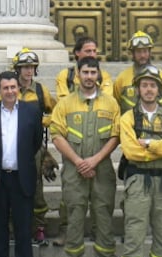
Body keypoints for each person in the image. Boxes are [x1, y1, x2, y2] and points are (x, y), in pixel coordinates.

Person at [50, 56, 120, 257]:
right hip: (74, 172)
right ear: (77, 74)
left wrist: (94, 160)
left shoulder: (111, 104)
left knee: (104, 223)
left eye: (93, 72)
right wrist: (79, 161)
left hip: (102, 172)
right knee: (74, 223)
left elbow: (115, 135)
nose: (89, 77)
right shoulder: (65, 104)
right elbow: (57, 135)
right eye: (85, 72)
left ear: (98, 75)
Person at [116, 65, 162, 257]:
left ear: (159, 90)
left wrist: (149, 144)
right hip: (138, 180)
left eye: (153, 85)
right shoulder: (128, 117)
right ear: (137, 89)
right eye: (144, 85)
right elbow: (130, 151)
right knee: (134, 232)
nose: (149, 89)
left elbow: (145, 148)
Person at [53, 36, 113, 246]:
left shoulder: (105, 84)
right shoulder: (65, 75)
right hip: (74, 142)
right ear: (77, 53)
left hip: (99, 152)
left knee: (102, 202)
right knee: (70, 198)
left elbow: (108, 100)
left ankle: (99, 232)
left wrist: (93, 161)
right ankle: (65, 230)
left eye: (94, 51)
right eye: (87, 51)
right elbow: (61, 105)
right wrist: (80, 162)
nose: (91, 55)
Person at [0, 71, 42, 257]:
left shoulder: (32, 111)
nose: (10, 91)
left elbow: (36, 141)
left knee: (23, 227)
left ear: (18, 88)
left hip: (22, 177)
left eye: (13, 87)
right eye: (5, 88)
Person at [11, 48, 57, 245]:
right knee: (14, 190)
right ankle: (14, 229)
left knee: (37, 190)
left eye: (32, 67)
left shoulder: (40, 91)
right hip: (13, 148)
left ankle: (39, 227)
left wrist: (49, 119)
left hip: (35, 148)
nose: (28, 71)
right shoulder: (10, 89)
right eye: (25, 67)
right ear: (17, 69)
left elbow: (57, 111)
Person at [114, 30, 162, 114]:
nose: (142, 55)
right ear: (132, 54)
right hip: (129, 126)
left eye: (145, 51)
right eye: (138, 52)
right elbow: (115, 106)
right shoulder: (122, 79)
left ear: (150, 52)